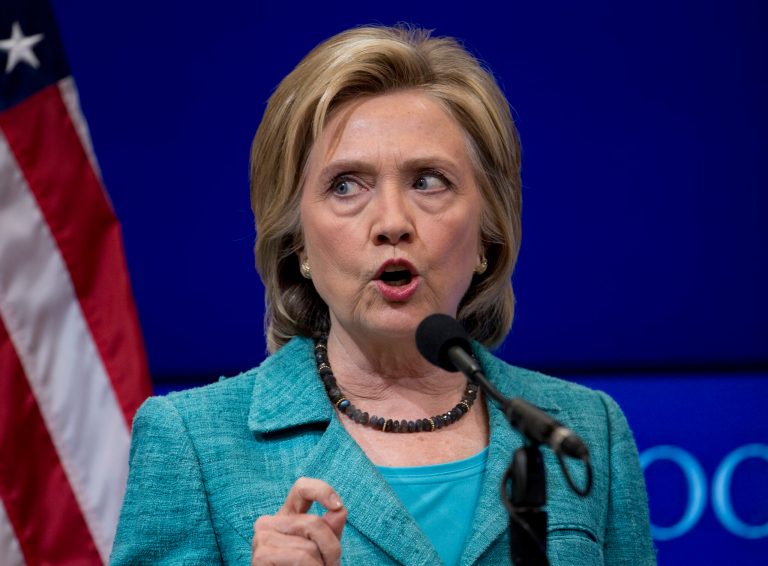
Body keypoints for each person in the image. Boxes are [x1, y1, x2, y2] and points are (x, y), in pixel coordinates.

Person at [111, 25, 655, 565]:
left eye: (428, 181)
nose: (392, 222)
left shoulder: (584, 431)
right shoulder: (194, 443)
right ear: (296, 240)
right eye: (346, 184)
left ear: (489, 231)